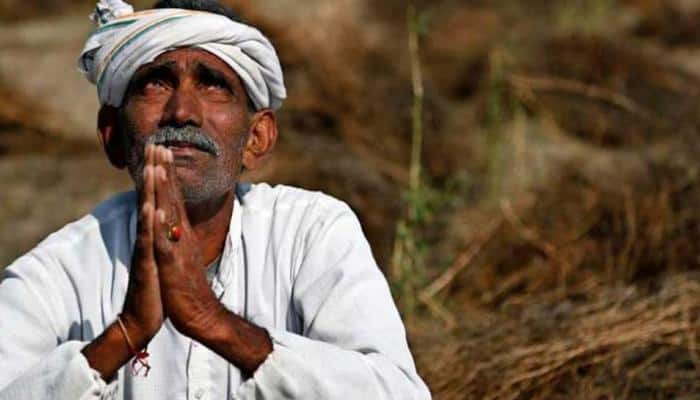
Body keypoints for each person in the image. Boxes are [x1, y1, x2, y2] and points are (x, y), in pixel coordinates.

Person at [0, 0, 431, 399]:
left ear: (256, 139)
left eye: (213, 85)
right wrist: (125, 335)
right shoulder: (54, 275)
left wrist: (212, 321)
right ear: (113, 136)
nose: (183, 111)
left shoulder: (311, 234)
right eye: (156, 83)